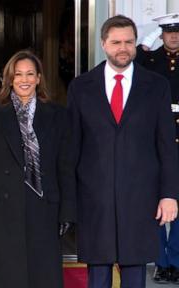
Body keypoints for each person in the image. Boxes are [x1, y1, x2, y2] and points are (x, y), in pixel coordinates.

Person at [68, 15, 179, 288]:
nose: (123, 48)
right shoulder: (81, 87)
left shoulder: (157, 86)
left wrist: (169, 195)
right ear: (104, 44)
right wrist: (69, 201)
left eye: (129, 42)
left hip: (140, 197)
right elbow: (71, 148)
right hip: (95, 198)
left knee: (134, 271)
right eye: (116, 42)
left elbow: (166, 145)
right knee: (99, 271)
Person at [0, 50, 76, 288]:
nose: (24, 80)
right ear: (9, 79)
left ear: (38, 78)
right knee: (3, 276)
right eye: (18, 75)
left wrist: (67, 210)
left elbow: (65, 167)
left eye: (29, 74)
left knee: (41, 275)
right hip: (0, 210)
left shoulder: (57, 114)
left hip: (43, 207)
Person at [135, 13, 179, 283]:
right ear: (161, 34)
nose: (173, 36)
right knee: (154, 202)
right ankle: (160, 260)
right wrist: (148, 40)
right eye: (168, 32)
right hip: (154, 139)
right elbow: (134, 64)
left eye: (177, 32)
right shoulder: (149, 60)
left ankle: (175, 259)